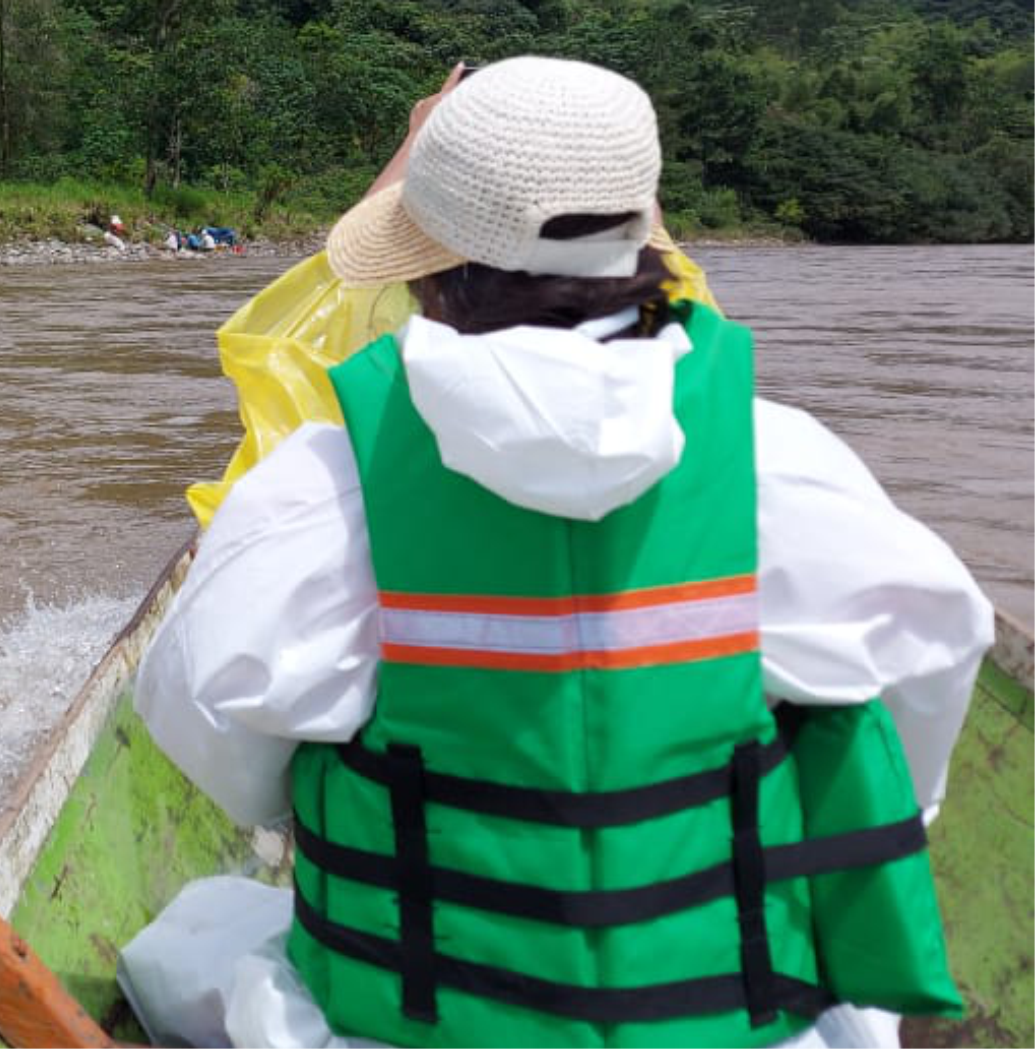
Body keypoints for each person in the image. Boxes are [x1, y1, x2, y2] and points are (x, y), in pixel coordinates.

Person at [118, 57, 993, 1049]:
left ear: (425, 261)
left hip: (404, 1023)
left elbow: (200, 714)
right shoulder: (779, 459)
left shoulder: (325, 481)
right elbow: (934, 658)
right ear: (643, 251)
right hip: (733, 1023)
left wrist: (341, 787)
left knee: (193, 934)